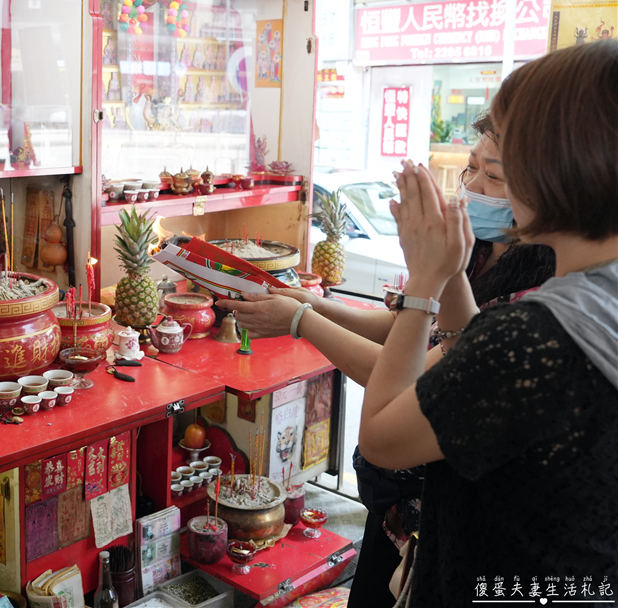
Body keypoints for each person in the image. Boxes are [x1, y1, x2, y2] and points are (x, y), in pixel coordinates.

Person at [220, 112, 555, 607]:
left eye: (495, 176)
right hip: (404, 506)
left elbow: (404, 387)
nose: (474, 188)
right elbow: (408, 328)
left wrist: (302, 321)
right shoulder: (481, 250)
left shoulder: (535, 302)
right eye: (471, 170)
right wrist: (307, 304)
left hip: (449, 516)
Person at [358, 40, 617, 604]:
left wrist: (424, 283)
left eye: (503, 160)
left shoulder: (535, 338)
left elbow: (380, 437)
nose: (478, 182)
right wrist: (451, 270)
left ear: (559, 166)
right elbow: (478, 353)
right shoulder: (595, 301)